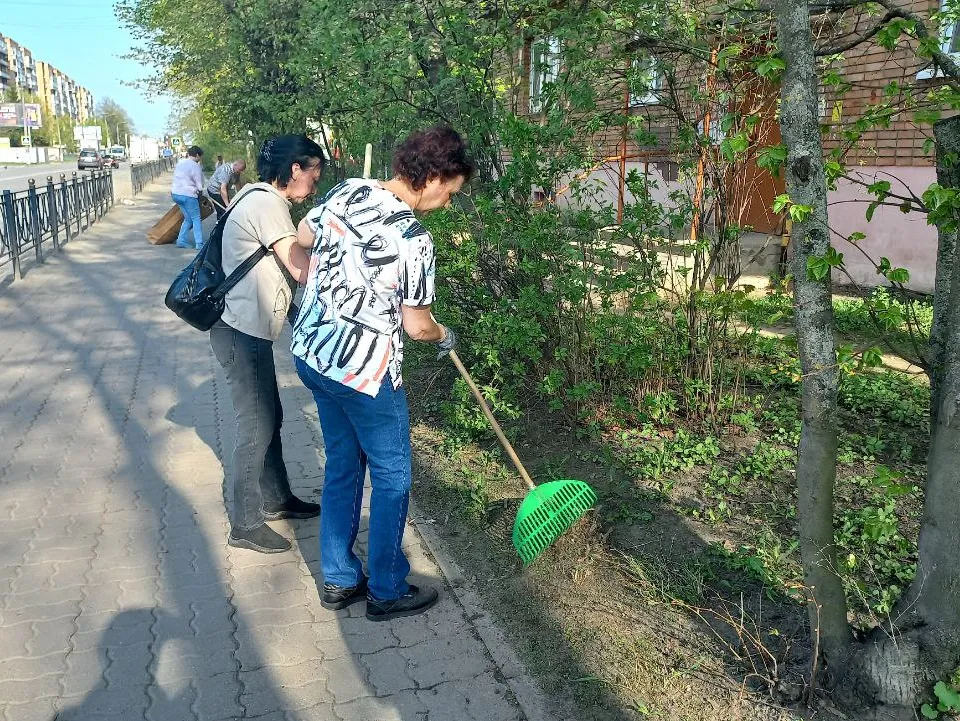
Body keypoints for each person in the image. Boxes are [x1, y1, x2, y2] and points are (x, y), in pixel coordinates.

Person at [290, 125, 473, 621]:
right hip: (364, 373)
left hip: (314, 356)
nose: (449, 201)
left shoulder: (349, 190)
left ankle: (338, 577)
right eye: (451, 190)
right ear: (434, 176)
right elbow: (416, 326)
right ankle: (388, 588)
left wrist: (321, 284)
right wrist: (444, 334)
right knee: (392, 477)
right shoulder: (413, 239)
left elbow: (301, 240)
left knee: (343, 465)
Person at [210, 135, 325, 553]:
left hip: (247, 328)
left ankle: (278, 499)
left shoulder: (257, 199)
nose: (315, 183)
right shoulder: (265, 203)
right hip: (240, 331)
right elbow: (299, 267)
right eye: (314, 172)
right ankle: (244, 523)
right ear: (296, 168)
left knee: (270, 416)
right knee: (255, 427)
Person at [170, 145, 205, 250]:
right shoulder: (195, 166)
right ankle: (199, 243)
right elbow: (199, 185)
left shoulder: (180, 163)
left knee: (188, 218)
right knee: (196, 218)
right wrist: (201, 191)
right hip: (188, 195)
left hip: (175, 194)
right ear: (197, 155)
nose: (200, 159)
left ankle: (181, 241)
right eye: (200, 156)